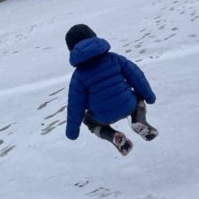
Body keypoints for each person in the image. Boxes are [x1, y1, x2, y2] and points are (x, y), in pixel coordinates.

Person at [64, 24, 158, 156]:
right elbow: (137, 77)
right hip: (129, 105)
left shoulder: (78, 76)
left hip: (102, 117)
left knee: (89, 121)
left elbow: (75, 106)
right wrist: (150, 97)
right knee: (138, 97)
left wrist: (72, 132)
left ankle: (112, 135)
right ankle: (139, 120)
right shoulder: (115, 59)